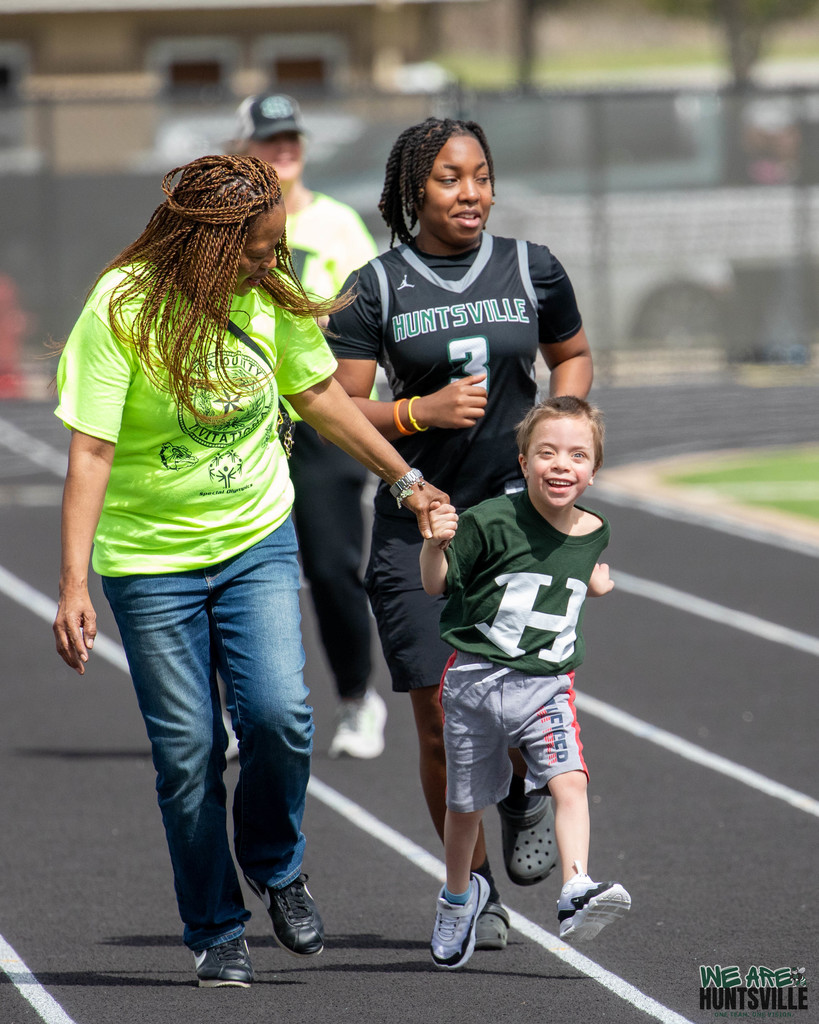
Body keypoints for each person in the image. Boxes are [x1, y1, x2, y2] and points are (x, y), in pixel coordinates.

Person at [51, 154, 446, 989]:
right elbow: (90, 448)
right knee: (189, 751)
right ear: (211, 244)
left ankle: (276, 863)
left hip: (253, 539)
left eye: (280, 246)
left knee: (279, 716)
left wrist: (402, 479)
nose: (275, 261)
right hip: (148, 558)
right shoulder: (121, 308)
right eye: (261, 249)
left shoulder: (269, 290)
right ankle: (215, 928)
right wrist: (74, 584)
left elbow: (320, 397)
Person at [327, 117, 594, 950]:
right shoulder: (373, 286)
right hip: (421, 518)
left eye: (480, 175)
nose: (470, 192)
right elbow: (335, 405)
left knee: (511, 704)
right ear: (414, 193)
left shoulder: (532, 266)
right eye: (449, 178)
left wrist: (566, 431)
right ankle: (472, 885)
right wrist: (420, 411)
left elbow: (572, 355)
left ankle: (518, 797)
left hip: (515, 527)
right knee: (441, 716)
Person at [420, 397, 631, 970]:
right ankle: (459, 898)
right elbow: (438, 585)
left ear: (593, 470)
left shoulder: (594, 530)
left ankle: (575, 888)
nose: (562, 464)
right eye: (548, 452)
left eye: (577, 454)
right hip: (476, 682)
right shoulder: (490, 520)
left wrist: (594, 582)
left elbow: (563, 565)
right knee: (464, 808)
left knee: (570, 783)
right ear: (522, 461)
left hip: (546, 687)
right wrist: (434, 543)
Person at [233, 93, 386, 759]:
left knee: (330, 568)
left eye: (291, 138)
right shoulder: (224, 231)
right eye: (269, 139)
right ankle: (243, 712)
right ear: (244, 148)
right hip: (241, 425)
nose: (283, 149)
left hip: (322, 422)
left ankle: (356, 701)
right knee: (233, 569)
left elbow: (362, 318)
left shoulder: (339, 224)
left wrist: (308, 323)